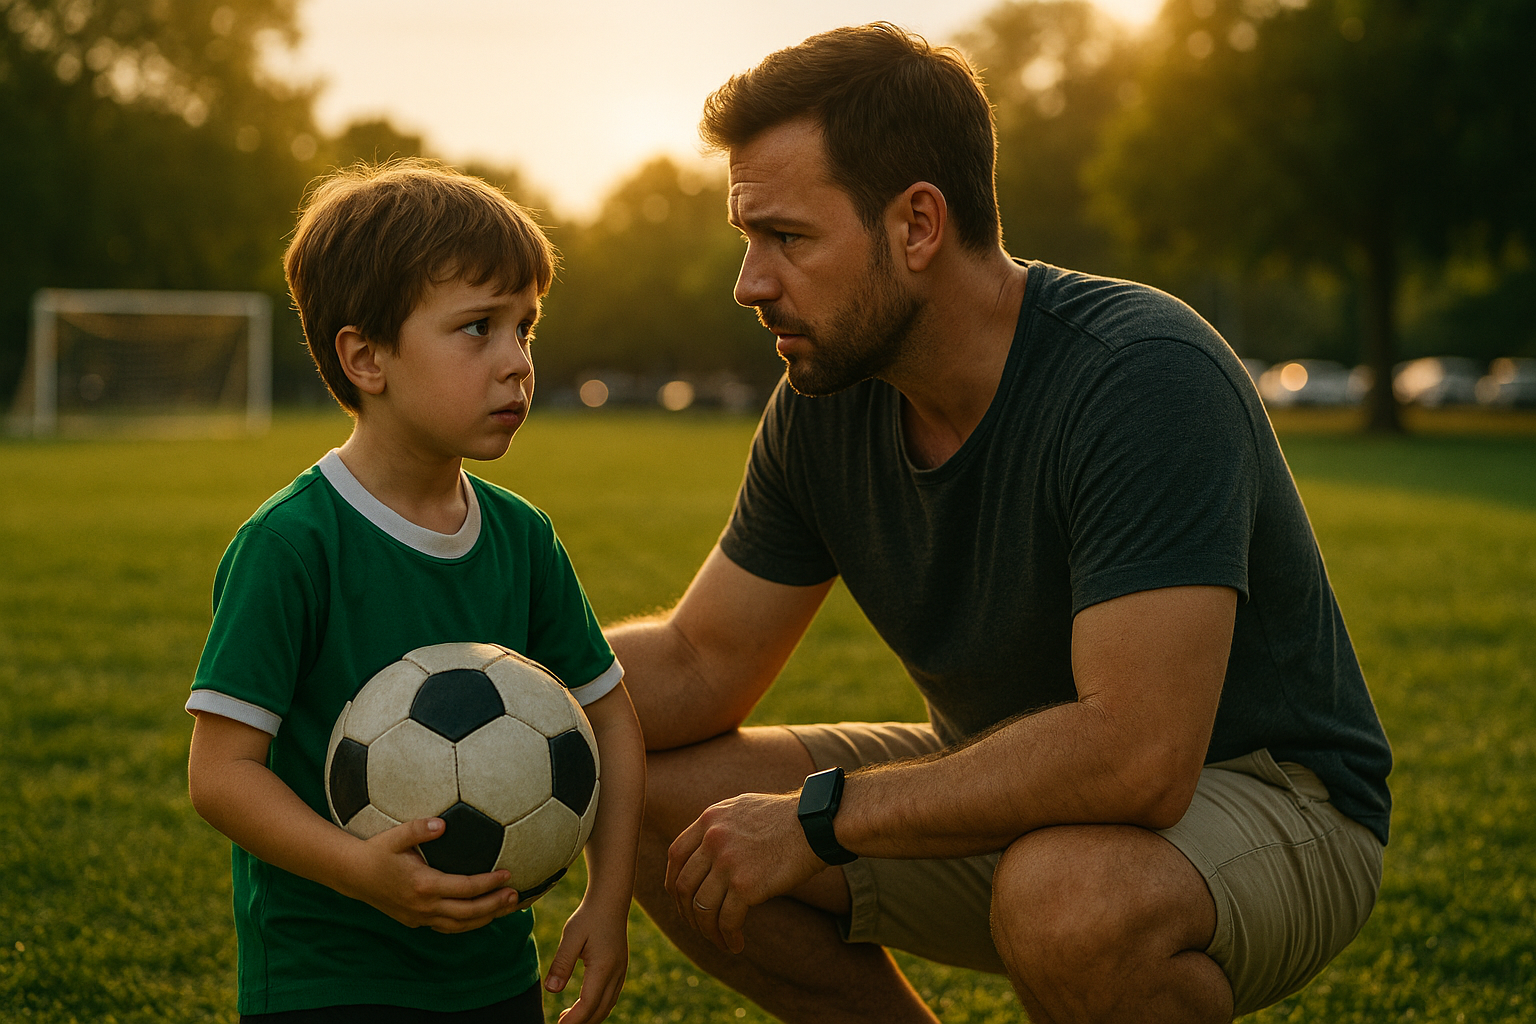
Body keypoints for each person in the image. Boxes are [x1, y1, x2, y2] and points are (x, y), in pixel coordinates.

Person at [608, 23, 1391, 1024]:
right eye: (748, 239)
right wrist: (504, 684)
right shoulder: (825, 398)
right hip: (1009, 784)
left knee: (1067, 898)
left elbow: (1137, 756)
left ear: (918, 226)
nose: (750, 282)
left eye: (787, 238)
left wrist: (821, 816)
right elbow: (697, 656)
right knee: (652, 795)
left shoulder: (1140, 374)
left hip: (1267, 795)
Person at [185, 160, 643, 1024]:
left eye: (526, 328)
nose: (517, 363)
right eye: (477, 328)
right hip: (327, 981)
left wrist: (606, 900)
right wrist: (361, 870)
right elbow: (221, 775)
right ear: (366, 357)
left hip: (496, 975)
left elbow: (610, 719)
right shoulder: (291, 546)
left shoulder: (522, 537)